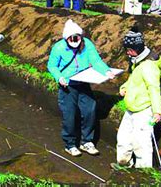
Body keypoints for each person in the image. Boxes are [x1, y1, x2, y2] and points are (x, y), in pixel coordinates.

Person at [48, 19, 115, 157]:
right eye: (71, 38)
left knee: (90, 110)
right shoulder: (59, 48)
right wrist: (60, 77)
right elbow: (52, 66)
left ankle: (87, 141)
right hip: (67, 85)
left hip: (83, 82)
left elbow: (95, 60)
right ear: (66, 39)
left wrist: (106, 71)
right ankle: (70, 144)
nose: (74, 40)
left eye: (77, 38)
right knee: (70, 115)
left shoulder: (87, 44)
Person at [113, 27, 161, 169]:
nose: (128, 53)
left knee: (141, 143)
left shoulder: (149, 66)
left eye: (130, 49)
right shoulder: (137, 61)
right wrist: (124, 87)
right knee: (123, 139)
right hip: (131, 108)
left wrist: (157, 111)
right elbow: (134, 80)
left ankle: (143, 171)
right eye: (126, 49)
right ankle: (124, 163)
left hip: (143, 109)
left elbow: (154, 88)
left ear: (138, 48)